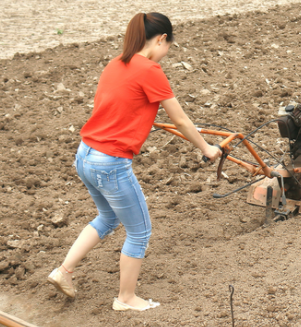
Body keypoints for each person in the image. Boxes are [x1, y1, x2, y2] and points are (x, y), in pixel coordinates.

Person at [47, 12, 221, 311]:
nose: (166, 55)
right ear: (162, 39)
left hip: (85, 154)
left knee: (107, 218)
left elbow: (116, 104)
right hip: (109, 163)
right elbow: (179, 119)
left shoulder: (116, 63)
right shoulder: (150, 70)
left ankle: (63, 271)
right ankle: (126, 299)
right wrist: (206, 147)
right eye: (169, 47)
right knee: (140, 232)